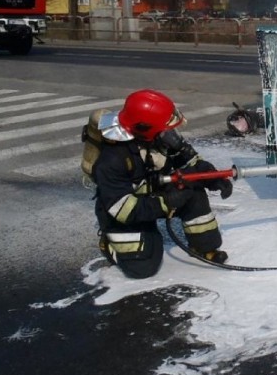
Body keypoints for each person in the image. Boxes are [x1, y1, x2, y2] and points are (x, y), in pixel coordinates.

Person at [93, 89, 233, 279]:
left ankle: (204, 248)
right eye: (164, 129)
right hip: (126, 210)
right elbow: (122, 210)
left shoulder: (159, 137)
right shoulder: (111, 160)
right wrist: (166, 201)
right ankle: (109, 245)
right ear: (146, 128)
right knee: (143, 269)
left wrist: (213, 177)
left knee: (193, 188)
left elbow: (190, 163)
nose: (170, 133)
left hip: (155, 193)